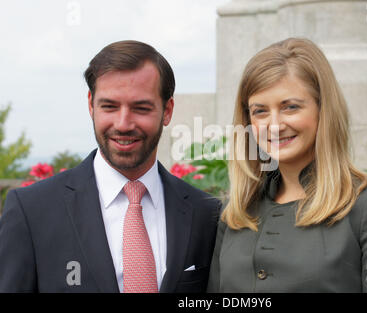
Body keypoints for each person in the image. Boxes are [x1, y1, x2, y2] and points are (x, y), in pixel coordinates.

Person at [0, 40, 220, 293]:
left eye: (141, 108)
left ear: (167, 110)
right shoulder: (31, 211)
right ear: (90, 104)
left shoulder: (206, 213)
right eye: (109, 106)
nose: (124, 123)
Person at [207, 38, 367, 292]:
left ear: (323, 110)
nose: (274, 125)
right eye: (260, 111)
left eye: (291, 107)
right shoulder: (234, 213)